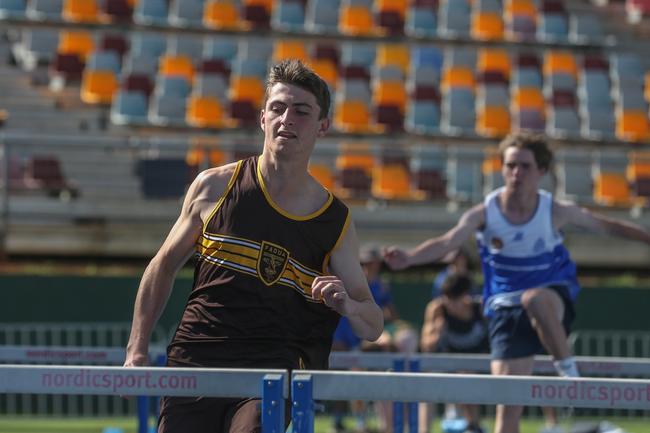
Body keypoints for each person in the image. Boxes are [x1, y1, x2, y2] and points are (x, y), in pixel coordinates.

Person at [124, 59, 384, 433]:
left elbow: (372, 325)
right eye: (278, 108)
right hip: (197, 360)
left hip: (274, 370)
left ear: (322, 126)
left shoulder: (334, 220)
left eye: (301, 111)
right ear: (263, 118)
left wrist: (346, 305)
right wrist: (136, 349)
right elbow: (162, 266)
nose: (287, 119)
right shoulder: (213, 186)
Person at [384, 132, 650, 433]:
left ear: (541, 171)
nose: (516, 173)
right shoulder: (485, 213)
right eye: (510, 165)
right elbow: (447, 242)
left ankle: (569, 373)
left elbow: (608, 225)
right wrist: (409, 258)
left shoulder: (555, 210)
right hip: (504, 309)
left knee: (534, 300)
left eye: (524, 166)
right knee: (507, 407)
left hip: (552, 296)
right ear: (502, 168)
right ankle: (562, 371)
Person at [331, 245, 418, 433]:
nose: (373, 266)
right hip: (350, 341)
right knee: (349, 378)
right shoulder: (351, 282)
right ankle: (352, 421)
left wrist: (396, 329)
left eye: (375, 262)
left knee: (381, 374)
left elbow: (390, 315)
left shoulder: (380, 285)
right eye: (369, 262)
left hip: (372, 342)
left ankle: (383, 421)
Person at [419, 273, 489, 433]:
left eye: (454, 299)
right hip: (448, 366)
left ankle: (474, 425)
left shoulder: (481, 308)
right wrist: (437, 331)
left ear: (466, 296)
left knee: (468, 375)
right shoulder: (437, 308)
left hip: (480, 367)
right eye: (447, 298)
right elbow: (426, 347)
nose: (450, 303)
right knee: (427, 385)